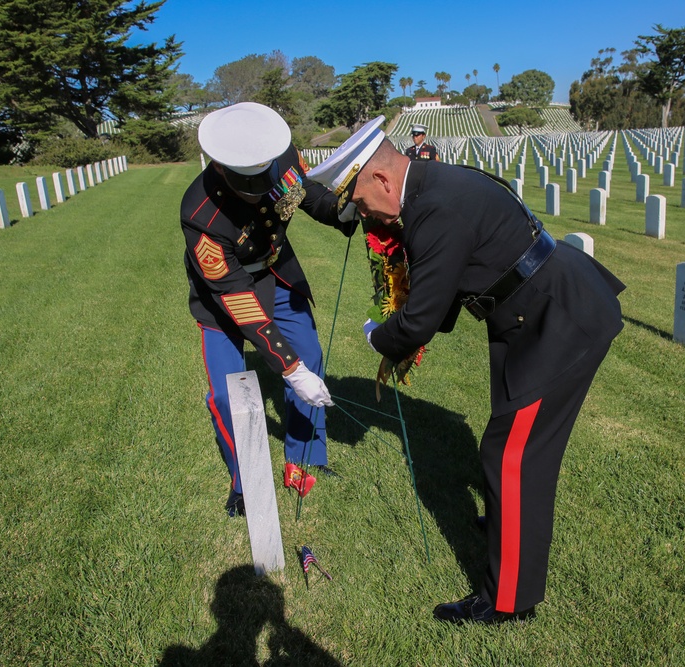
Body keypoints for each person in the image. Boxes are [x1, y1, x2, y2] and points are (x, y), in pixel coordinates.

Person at [309, 117, 625, 624]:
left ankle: (508, 601)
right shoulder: (431, 183)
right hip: (530, 311)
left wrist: (377, 336)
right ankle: (508, 523)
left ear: (384, 181)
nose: (367, 215)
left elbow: (419, 322)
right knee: (512, 444)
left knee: (513, 455)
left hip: (558, 319)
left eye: (363, 201)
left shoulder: (434, 208)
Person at [180, 102, 356, 517]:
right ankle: (245, 480)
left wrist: (339, 210)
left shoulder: (280, 156)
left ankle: (306, 456)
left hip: (276, 275)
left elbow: (302, 193)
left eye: (267, 175)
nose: (263, 186)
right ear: (222, 169)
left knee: (310, 355)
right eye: (251, 183)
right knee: (226, 395)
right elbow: (237, 298)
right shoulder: (200, 214)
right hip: (224, 296)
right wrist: (288, 370)